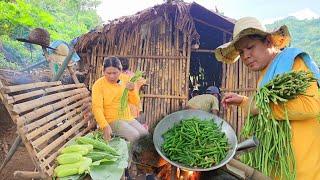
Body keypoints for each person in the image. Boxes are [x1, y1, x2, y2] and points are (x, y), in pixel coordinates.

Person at [215, 17, 320, 179]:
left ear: (269, 41)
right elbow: (265, 106)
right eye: (241, 52)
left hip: (302, 169)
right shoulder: (265, 75)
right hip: (277, 167)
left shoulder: (293, 62)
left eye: (250, 47)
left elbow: (312, 106)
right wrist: (243, 101)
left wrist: (263, 108)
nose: (246, 56)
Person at [92, 56, 148, 142]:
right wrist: (104, 125)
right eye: (108, 73)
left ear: (121, 70)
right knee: (135, 136)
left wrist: (132, 90)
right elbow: (97, 107)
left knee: (145, 135)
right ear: (103, 71)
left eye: (115, 73)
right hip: (111, 120)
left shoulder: (126, 79)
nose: (111, 76)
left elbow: (135, 102)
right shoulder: (98, 85)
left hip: (127, 117)